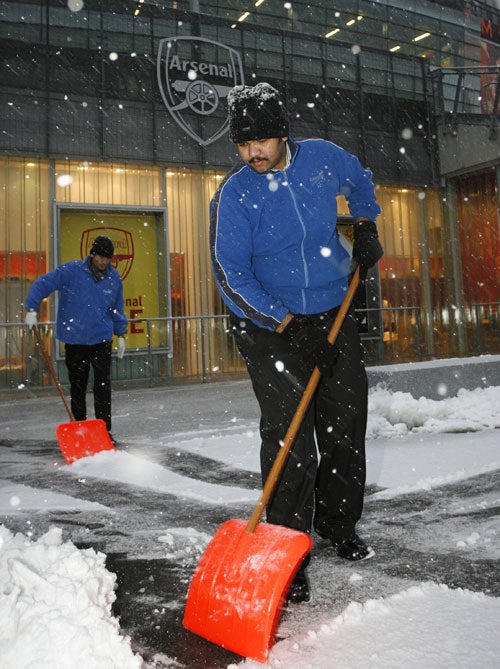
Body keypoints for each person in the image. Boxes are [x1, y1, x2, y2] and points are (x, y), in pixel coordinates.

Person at [210, 82, 383, 603]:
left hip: (332, 310)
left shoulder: (325, 160)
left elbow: (362, 182)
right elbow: (229, 273)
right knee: (290, 436)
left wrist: (365, 222)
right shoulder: (235, 195)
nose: (251, 153)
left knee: (346, 417)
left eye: (261, 140)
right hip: (268, 326)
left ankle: (338, 523)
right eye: (242, 145)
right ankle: (288, 547)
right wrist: (288, 324)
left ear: (282, 133)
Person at [24, 235, 128, 443]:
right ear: (92, 254)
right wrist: (32, 308)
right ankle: (80, 430)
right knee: (78, 388)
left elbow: (116, 308)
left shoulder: (114, 278)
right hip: (76, 340)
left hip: (101, 340)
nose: (104, 263)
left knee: (103, 387)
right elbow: (43, 283)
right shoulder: (71, 272)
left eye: (107, 259)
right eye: (100, 258)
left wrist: (121, 332)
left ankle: (104, 432)